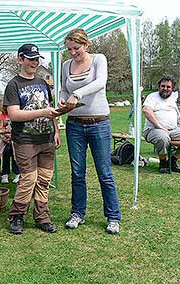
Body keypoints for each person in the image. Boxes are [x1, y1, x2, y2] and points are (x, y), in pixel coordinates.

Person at [59, 28, 121, 234]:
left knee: (104, 172)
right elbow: (63, 89)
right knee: (77, 173)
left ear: (86, 45)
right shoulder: (66, 65)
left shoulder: (99, 59)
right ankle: (78, 213)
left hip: (99, 123)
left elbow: (100, 82)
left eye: (76, 48)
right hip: (75, 124)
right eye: (69, 49)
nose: (73, 52)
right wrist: (63, 98)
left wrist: (77, 93)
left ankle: (113, 217)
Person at [4, 43, 61, 235]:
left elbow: (51, 110)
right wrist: (42, 112)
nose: (35, 63)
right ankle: (17, 216)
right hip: (25, 140)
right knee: (28, 179)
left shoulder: (43, 83)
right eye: (31, 59)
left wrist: (56, 131)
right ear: (20, 59)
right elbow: (14, 115)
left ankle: (42, 217)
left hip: (46, 139)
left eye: (37, 59)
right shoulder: (13, 85)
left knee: (44, 180)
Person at [143, 75, 180, 173]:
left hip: (173, 130)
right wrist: (160, 126)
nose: (165, 89)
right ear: (159, 86)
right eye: (163, 86)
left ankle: (172, 161)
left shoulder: (173, 97)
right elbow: (146, 110)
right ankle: (163, 163)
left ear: (172, 88)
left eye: (168, 87)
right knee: (162, 138)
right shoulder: (152, 97)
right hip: (153, 130)